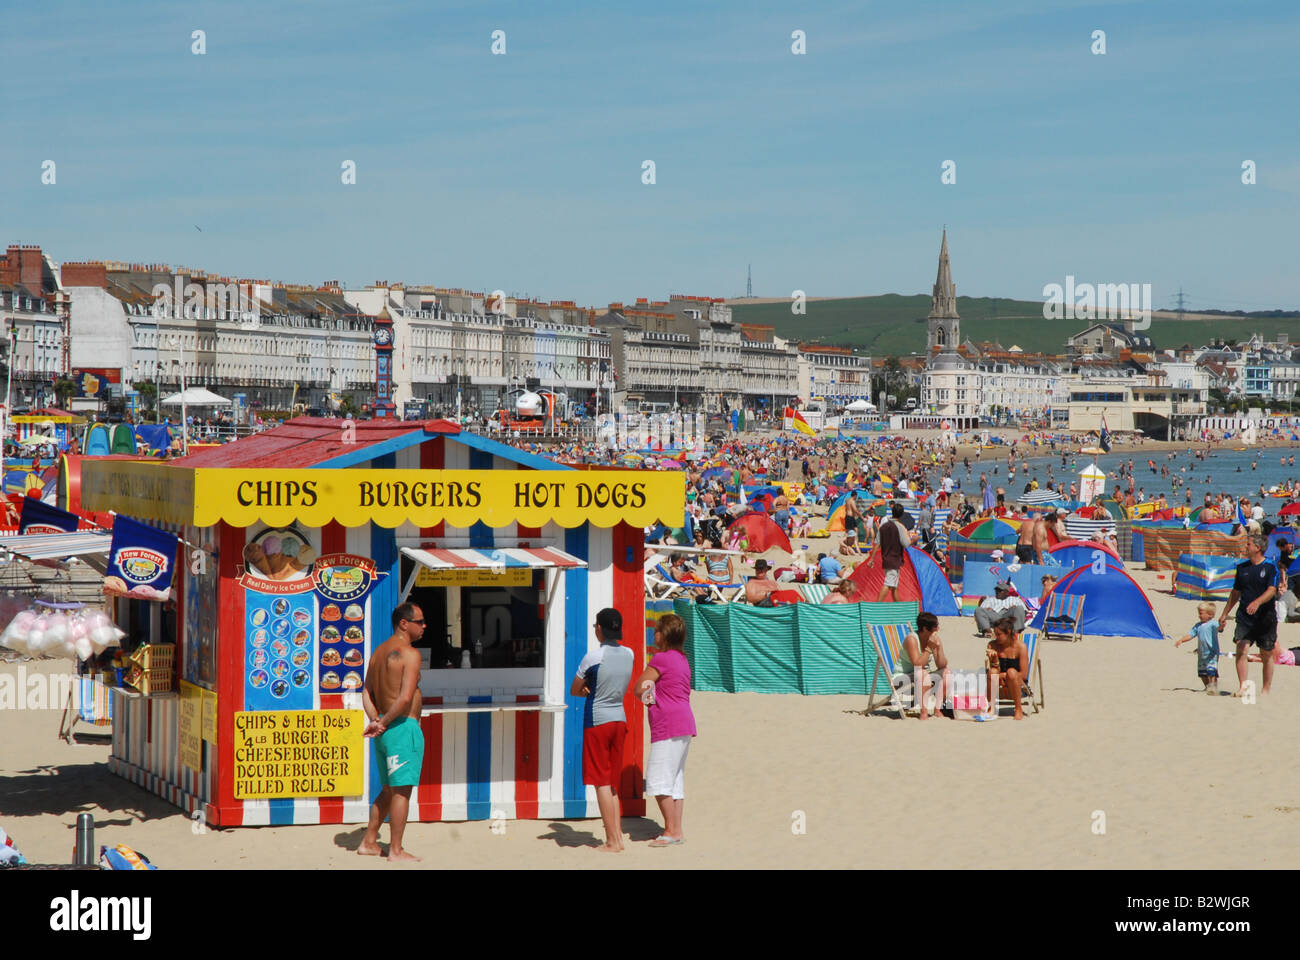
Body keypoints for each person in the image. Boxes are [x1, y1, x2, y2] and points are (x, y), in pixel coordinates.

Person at [359, 602, 427, 861]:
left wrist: (375, 719)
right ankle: (396, 850)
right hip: (400, 729)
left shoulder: (379, 652)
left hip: (386, 732)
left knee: (388, 789)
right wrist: (384, 721)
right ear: (403, 623)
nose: (424, 626)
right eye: (419, 621)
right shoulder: (409, 654)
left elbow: (366, 692)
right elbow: (404, 697)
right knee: (401, 791)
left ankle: (368, 841)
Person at [571, 608, 635, 852]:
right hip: (619, 717)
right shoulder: (629, 654)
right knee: (612, 782)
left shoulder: (593, 657)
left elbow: (575, 689)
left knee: (601, 782)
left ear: (600, 629)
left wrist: (587, 687)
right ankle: (617, 837)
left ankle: (611, 841)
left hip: (598, 719)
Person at [634, 613, 696, 846]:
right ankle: (676, 829)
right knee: (675, 780)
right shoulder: (682, 659)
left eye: (657, 631)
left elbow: (639, 688)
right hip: (684, 721)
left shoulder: (661, 659)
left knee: (659, 780)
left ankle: (670, 831)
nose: (654, 634)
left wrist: (650, 701)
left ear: (664, 635)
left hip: (667, 723)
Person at [1218, 534, 1279, 697]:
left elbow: (1272, 590)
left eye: (1248, 544)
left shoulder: (1270, 566)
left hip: (1265, 617)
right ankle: (1243, 686)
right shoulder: (1242, 567)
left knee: (1266, 653)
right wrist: (1224, 614)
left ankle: (1265, 689)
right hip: (1245, 616)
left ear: (1258, 548)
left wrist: (1257, 602)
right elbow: (1235, 592)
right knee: (1241, 648)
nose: (1245, 547)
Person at [898, 611, 951, 720]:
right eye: (935, 626)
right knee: (923, 673)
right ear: (925, 629)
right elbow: (918, 664)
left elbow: (941, 664)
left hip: (922, 675)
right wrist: (928, 648)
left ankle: (938, 709)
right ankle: (924, 711)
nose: (938, 629)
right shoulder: (911, 639)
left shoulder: (933, 639)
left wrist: (938, 648)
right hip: (904, 676)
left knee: (946, 672)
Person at [985, 616, 1029, 720]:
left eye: (999, 634)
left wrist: (1005, 675)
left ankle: (1018, 708)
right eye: (995, 634)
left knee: (1011, 672)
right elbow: (995, 671)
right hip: (999, 682)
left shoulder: (1020, 647)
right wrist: (995, 659)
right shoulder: (992, 645)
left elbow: (1023, 674)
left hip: (1017, 683)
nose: (996, 637)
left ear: (1008, 632)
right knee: (992, 672)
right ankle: (991, 708)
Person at [1173, 601, 1221, 695]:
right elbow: (1191, 635)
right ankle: (1207, 687)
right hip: (1202, 653)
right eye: (1198, 613)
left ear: (1210, 615)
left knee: (1211, 671)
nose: (1199, 615)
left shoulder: (1213, 624)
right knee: (1202, 673)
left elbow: (1220, 628)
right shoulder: (1198, 626)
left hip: (1212, 653)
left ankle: (1213, 688)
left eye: (1201, 613)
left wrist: (1222, 625)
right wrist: (1181, 640)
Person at [876, 502, 909, 602]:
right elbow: (906, 544)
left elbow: (877, 543)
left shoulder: (883, 526)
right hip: (894, 559)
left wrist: (872, 559)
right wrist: (914, 539)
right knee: (888, 584)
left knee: (894, 586)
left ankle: (898, 606)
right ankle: (876, 607)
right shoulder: (900, 527)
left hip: (885, 558)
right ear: (901, 514)